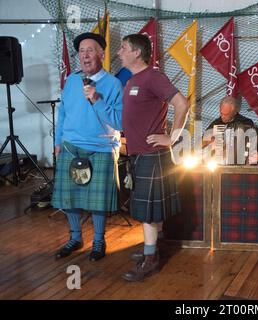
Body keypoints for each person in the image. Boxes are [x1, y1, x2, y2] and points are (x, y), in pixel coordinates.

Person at [117, 34, 190, 282]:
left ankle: (151, 259)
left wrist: (173, 137)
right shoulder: (132, 80)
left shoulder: (153, 77)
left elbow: (182, 103)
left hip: (152, 155)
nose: (119, 52)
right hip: (139, 154)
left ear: (137, 52)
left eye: (123, 48)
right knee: (150, 209)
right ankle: (154, 249)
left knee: (147, 211)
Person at [52, 32, 123, 261]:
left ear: (101, 54)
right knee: (68, 199)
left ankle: (99, 241)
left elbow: (119, 122)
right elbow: (62, 113)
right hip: (71, 146)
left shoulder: (113, 84)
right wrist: (58, 141)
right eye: (81, 51)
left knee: (97, 202)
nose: (85, 56)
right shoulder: (72, 80)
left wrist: (96, 98)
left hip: (101, 148)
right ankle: (75, 238)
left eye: (90, 50)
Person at [205, 96, 258, 164]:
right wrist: (209, 140)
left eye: (226, 114)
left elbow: (255, 145)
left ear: (234, 112)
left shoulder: (246, 123)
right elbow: (204, 139)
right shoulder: (217, 123)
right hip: (218, 163)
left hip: (240, 166)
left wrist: (255, 152)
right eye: (221, 113)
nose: (222, 117)